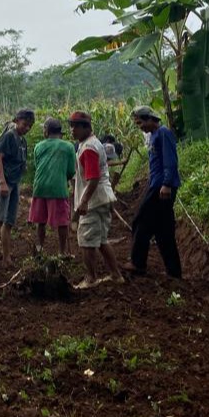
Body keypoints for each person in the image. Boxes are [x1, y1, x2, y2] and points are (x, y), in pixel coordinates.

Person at [124, 106, 182, 279]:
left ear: (150, 119)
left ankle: (138, 263)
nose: (140, 127)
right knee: (163, 230)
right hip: (157, 184)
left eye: (140, 122)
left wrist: (166, 184)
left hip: (161, 187)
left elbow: (171, 160)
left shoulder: (163, 133)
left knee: (140, 221)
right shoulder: (154, 135)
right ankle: (174, 271)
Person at [69, 111, 123, 288]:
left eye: (76, 126)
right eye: (71, 126)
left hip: (93, 201)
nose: (72, 130)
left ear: (86, 127)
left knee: (87, 240)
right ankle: (116, 275)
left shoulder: (89, 148)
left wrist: (83, 202)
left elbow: (93, 178)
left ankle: (90, 278)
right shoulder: (91, 144)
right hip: (102, 198)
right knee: (101, 240)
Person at [0, 109, 35, 272]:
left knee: (9, 222)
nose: (27, 128)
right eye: (25, 124)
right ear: (17, 120)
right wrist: (2, 182)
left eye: (30, 126)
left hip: (15, 183)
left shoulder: (22, 141)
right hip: (6, 183)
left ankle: (7, 257)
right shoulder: (9, 136)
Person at [28, 118, 76, 256]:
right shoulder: (68, 147)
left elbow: (38, 166)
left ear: (47, 131)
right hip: (58, 188)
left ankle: (40, 248)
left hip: (39, 187)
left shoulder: (39, 146)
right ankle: (62, 252)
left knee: (40, 221)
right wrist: (61, 177)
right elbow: (71, 171)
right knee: (62, 222)